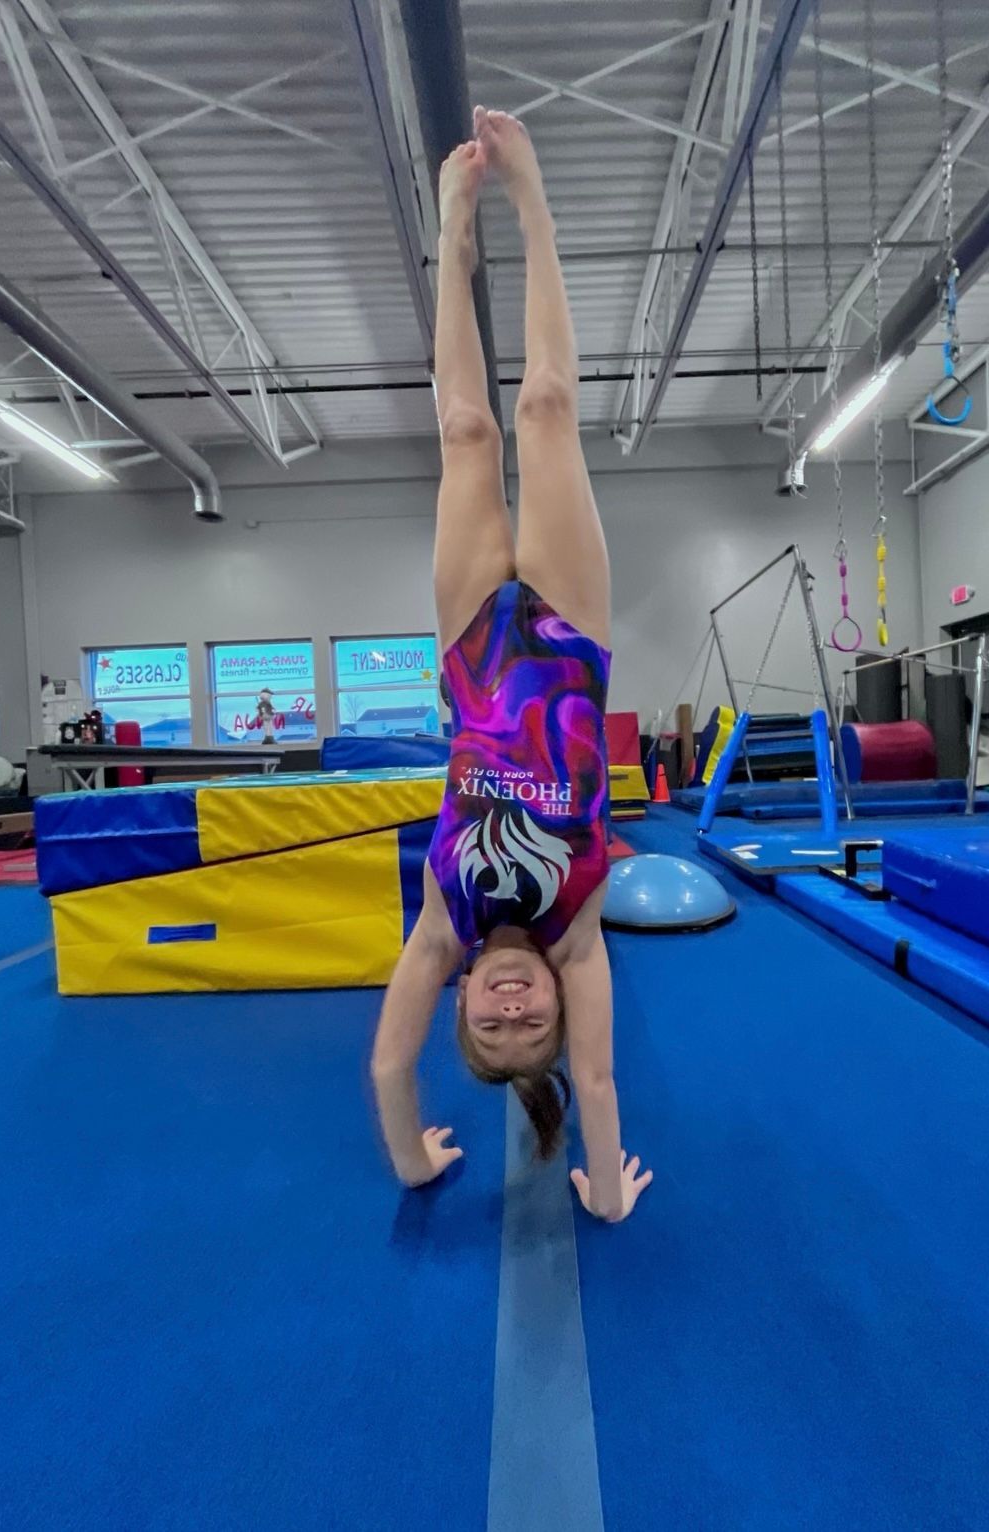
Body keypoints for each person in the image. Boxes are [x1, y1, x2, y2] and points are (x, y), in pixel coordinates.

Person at [371, 109, 651, 1224]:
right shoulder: (576, 932)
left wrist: (412, 1162)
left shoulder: (440, 923)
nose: (509, 1007)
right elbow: (593, 1078)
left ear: (463, 1007)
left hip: (474, 651)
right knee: (543, 410)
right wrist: (610, 1191)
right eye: (525, 1023)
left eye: (488, 1023)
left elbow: (391, 1071)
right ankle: (533, 208)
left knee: (466, 434)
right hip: (573, 645)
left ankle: (456, 235)